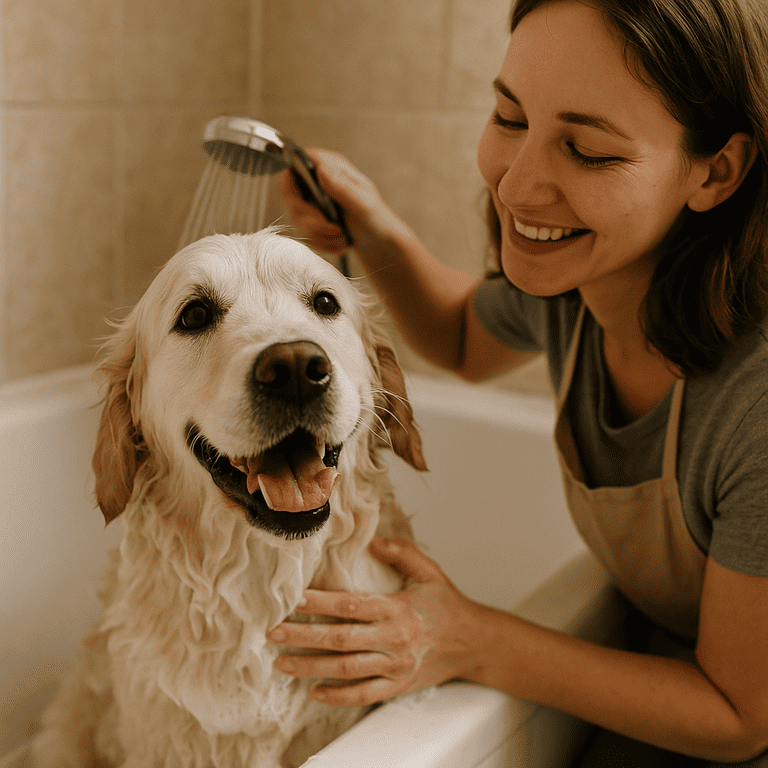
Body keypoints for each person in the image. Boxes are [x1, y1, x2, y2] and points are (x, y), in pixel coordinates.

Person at [267, 0, 768, 763]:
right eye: (508, 117)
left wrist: (470, 638)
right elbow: (465, 338)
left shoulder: (756, 404)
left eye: (589, 151)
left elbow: (741, 717)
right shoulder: (582, 287)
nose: (519, 185)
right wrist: (365, 219)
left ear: (717, 170)